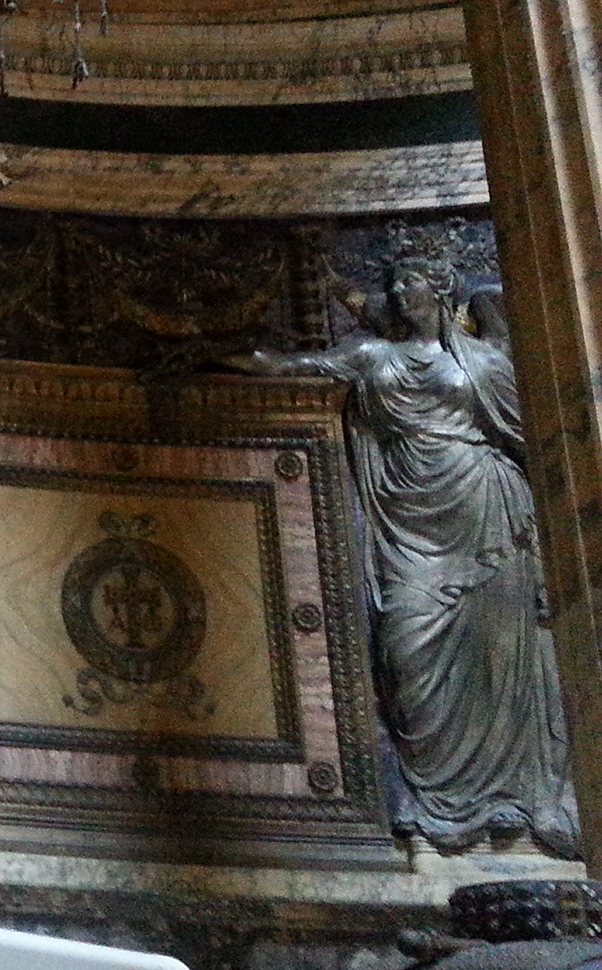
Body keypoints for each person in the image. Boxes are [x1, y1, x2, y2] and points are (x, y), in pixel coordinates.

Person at [228, 256, 578, 857]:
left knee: (500, 655)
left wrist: (561, 545)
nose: (397, 290)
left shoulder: (484, 362)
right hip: (408, 521)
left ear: (440, 289)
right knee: (407, 648)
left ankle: (513, 802)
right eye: (392, 282)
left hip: (485, 511)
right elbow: (293, 366)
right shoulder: (374, 357)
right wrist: (219, 355)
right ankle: (443, 798)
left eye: (409, 281)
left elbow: (538, 439)